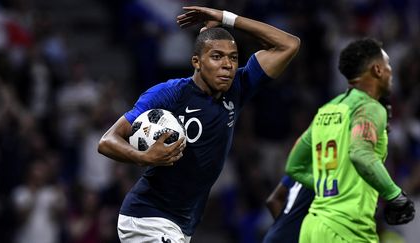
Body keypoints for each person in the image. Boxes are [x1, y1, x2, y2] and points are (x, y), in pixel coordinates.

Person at [97, 5, 300, 243]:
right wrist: (143, 157)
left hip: (181, 225)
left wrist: (227, 18)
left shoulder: (238, 88)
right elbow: (107, 141)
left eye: (233, 58)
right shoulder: (171, 93)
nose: (227, 64)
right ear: (197, 61)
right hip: (147, 218)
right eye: (216, 56)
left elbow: (289, 44)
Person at [285, 38, 415, 243]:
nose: (391, 71)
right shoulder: (370, 107)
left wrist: (331, 186)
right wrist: (395, 196)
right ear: (377, 70)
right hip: (347, 229)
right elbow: (360, 153)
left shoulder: (326, 110)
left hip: (312, 228)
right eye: (388, 64)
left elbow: (294, 167)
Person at [262, 175, 314, 243]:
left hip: (274, 235)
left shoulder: (297, 169)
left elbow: (272, 200)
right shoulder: (320, 173)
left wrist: (284, 225)